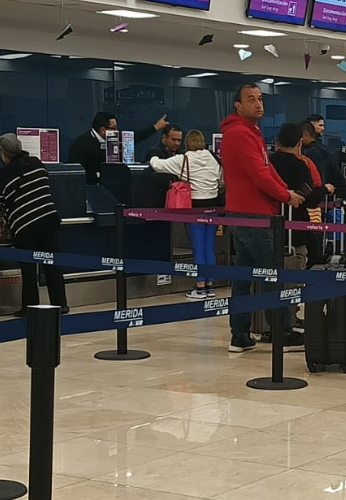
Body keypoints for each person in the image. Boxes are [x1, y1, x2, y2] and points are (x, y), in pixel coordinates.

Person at [222, 82, 304, 353]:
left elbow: (267, 169)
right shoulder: (240, 134)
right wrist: (285, 196)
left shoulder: (250, 132)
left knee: (244, 276)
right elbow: (259, 175)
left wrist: (285, 191)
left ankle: (240, 334)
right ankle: (281, 332)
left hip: (247, 212)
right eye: (251, 99)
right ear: (238, 105)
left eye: (260, 99)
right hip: (253, 214)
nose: (258, 104)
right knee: (272, 273)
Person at [0, 133, 67, 314]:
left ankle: (30, 307)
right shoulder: (36, 163)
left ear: (3, 153)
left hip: (25, 225)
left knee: (29, 268)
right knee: (52, 264)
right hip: (48, 218)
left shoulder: (4, 173)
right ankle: (61, 304)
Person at [150, 129, 223, 299]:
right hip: (214, 207)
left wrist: (153, 155)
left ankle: (199, 286)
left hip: (194, 208)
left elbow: (157, 165)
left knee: (198, 248)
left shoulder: (183, 159)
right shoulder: (213, 158)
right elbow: (221, 177)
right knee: (209, 247)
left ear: (187, 144)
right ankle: (210, 286)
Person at [270, 122, 327, 269]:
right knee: (293, 279)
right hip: (295, 231)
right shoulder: (301, 165)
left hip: (269, 227)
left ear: (277, 142)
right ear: (300, 142)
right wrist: (325, 189)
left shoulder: (268, 163)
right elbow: (311, 199)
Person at [69, 110, 169, 184]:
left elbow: (136, 137)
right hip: (90, 187)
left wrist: (155, 127)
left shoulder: (115, 138)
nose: (117, 131)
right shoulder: (81, 144)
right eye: (114, 128)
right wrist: (99, 175)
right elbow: (76, 172)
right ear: (103, 130)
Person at [301, 119, 345, 199]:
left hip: (326, 195)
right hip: (335, 192)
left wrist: (321, 191)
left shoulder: (312, 152)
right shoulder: (323, 149)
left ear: (305, 134)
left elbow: (319, 176)